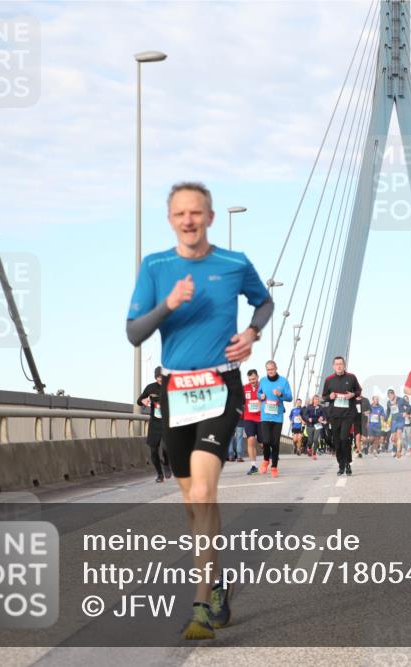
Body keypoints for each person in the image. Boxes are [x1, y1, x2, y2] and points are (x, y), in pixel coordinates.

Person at [126, 181, 272, 640]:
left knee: (205, 492)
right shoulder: (156, 267)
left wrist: (251, 334)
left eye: (196, 212)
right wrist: (168, 304)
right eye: (179, 213)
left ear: (209, 217)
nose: (188, 220)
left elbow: (264, 302)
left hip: (220, 386)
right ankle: (218, 580)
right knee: (191, 501)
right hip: (174, 391)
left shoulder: (234, 263)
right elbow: (134, 332)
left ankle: (201, 603)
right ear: (171, 220)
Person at [321, 356, 361, 476]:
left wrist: (352, 394)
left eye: (341, 364)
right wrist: (330, 397)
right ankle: (341, 464)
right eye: (336, 364)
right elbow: (324, 396)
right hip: (334, 415)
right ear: (333, 366)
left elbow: (359, 391)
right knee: (337, 441)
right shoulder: (329, 379)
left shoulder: (351, 377)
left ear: (344, 365)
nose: (339, 366)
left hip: (348, 414)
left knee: (344, 438)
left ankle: (348, 463)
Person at [258, 360, 292, 477]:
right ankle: (266, 460)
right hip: (265, 415)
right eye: (268, 369)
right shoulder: (262, 380)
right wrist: (260, 396)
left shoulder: (283, 381)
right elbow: (258, 393)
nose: (270, 371)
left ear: (276, 368)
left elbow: (290, 397)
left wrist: (280, 395)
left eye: (272, 369)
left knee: (275, 443)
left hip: (277, 417)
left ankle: (274, 467)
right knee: (266, 441)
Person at [137, 366, 172, 482]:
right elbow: (139, 400)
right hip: (155, 422)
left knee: (166, 448)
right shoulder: (150, 388)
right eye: (158, 377)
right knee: (153, 450)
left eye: (162, 377)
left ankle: (167, 464)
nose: (160, 379)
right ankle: (159, 474)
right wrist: (143, 401)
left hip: (167, 422)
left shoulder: (171, 386)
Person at [242, 369, 263, 475]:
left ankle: (269, 457)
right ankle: (253, 466)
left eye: (254, 379)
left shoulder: (263, 387)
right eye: (250, 379)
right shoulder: (245, 388)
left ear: (257, 377)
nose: (252, 381)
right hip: (249, 418)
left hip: (261, 418)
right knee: (250, 439)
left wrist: (262, 402)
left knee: (263, 442)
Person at [385, 389, 406, 458]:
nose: (390, 397)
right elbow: (388, 412)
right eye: (388, 396)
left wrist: (407, 412)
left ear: (394, 394)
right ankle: (399, 448)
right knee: (393, 438)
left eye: (391, 395)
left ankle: (398, 452)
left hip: (401, 420)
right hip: (394, 421)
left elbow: (408, 406)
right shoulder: (388, 402)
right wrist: (386, 420)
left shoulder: (401, 400)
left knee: (399, 434)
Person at [302, 394, 324, 459]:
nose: (316, 400)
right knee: (310, 441)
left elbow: (324, 415)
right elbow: (305, 415)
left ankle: (314, 454)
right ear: (313, 400)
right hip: (310, 425)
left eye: (317, 399)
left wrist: (322, 417)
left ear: (319, 400)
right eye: (315, 399)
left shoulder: (321, 407)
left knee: (315, 439)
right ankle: (309, 448)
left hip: (318, 424)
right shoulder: (309, 407)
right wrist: (308, 418)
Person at [355, 391, 371, 458]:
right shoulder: (353, 400)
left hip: (364, 421)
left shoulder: (365, 400)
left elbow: (370, 410)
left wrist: (368, 420)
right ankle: (360, 452)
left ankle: (366, 445)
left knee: (364, 438)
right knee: (357, 437)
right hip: (356, 421)